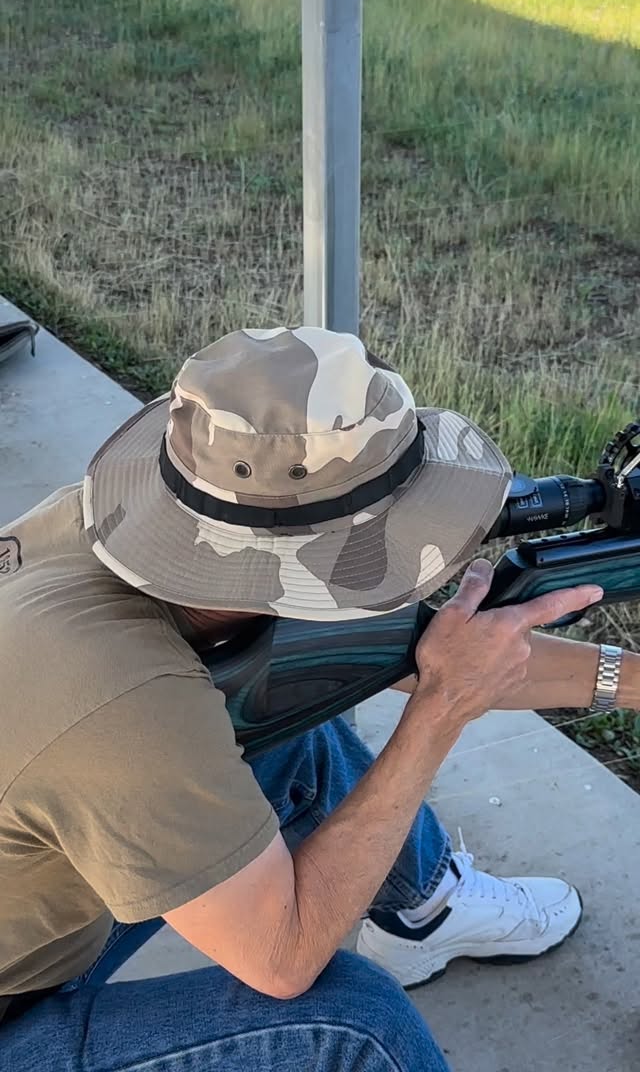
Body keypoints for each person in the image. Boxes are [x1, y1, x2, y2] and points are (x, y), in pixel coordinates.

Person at [1, 325, 638, 1072]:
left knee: (284, 710)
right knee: (355, 1028)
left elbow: (394, 649)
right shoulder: (125, 704)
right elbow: (282, 956)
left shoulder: (114, 530)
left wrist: (629, 682)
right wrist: (439, 713)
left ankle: (420, 915)